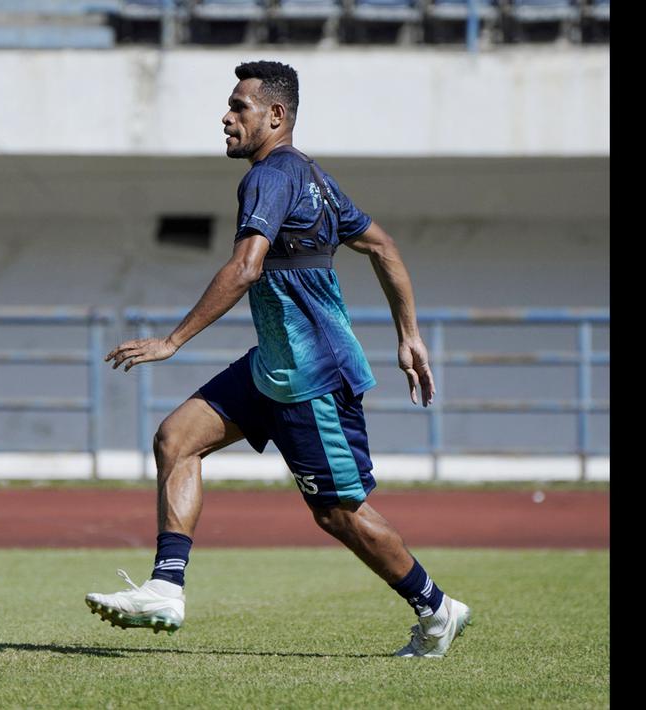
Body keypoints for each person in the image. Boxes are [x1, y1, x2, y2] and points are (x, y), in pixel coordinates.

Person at [85, 61, 471, 658]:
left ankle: (437, 609)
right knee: (176, 439)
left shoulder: (269, 177)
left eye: (239, 107)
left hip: (313, 376)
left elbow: (245, 268)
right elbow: (382, 245)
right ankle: (166, 587)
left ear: (275, 115)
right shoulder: (312, 176)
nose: (226, 117)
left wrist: (172, 341)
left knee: (339, 514)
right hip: (272, 366)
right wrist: (409, 335)